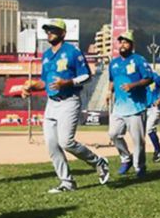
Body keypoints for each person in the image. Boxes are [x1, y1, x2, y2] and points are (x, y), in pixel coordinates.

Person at [22, 19, 110, 193]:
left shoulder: (72, 51)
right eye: (47, 30)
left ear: (63, 33)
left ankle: (98, 161)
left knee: (66, 142)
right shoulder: (46, 55)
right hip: (52, 103)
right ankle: (67, 182)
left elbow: (86, 76)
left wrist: (67, 82)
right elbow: (44, 82)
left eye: (54, 30)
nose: (49, 33)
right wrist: (32, 87)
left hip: (69, 101)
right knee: (52, 145)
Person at [106, 30, 154, 178]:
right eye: (120, 42)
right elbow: (112, 80)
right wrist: (109, 92)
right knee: (113, 134)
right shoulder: (113, 63)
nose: (122, 44)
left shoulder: (139, 60)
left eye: (125, 42)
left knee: (138, 140)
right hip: (118, 107)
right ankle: (126, 158)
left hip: (136, 107)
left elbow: (149, 78)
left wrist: (132, 85)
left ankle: (139, 167)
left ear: (132, 45)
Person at [146, 71, 160, 162]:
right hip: (144, 107)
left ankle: (159, 151)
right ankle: (157, 150)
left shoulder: (155, 76)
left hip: (154, 107)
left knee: (149, 128)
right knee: (149, 130)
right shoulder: (138, 78)